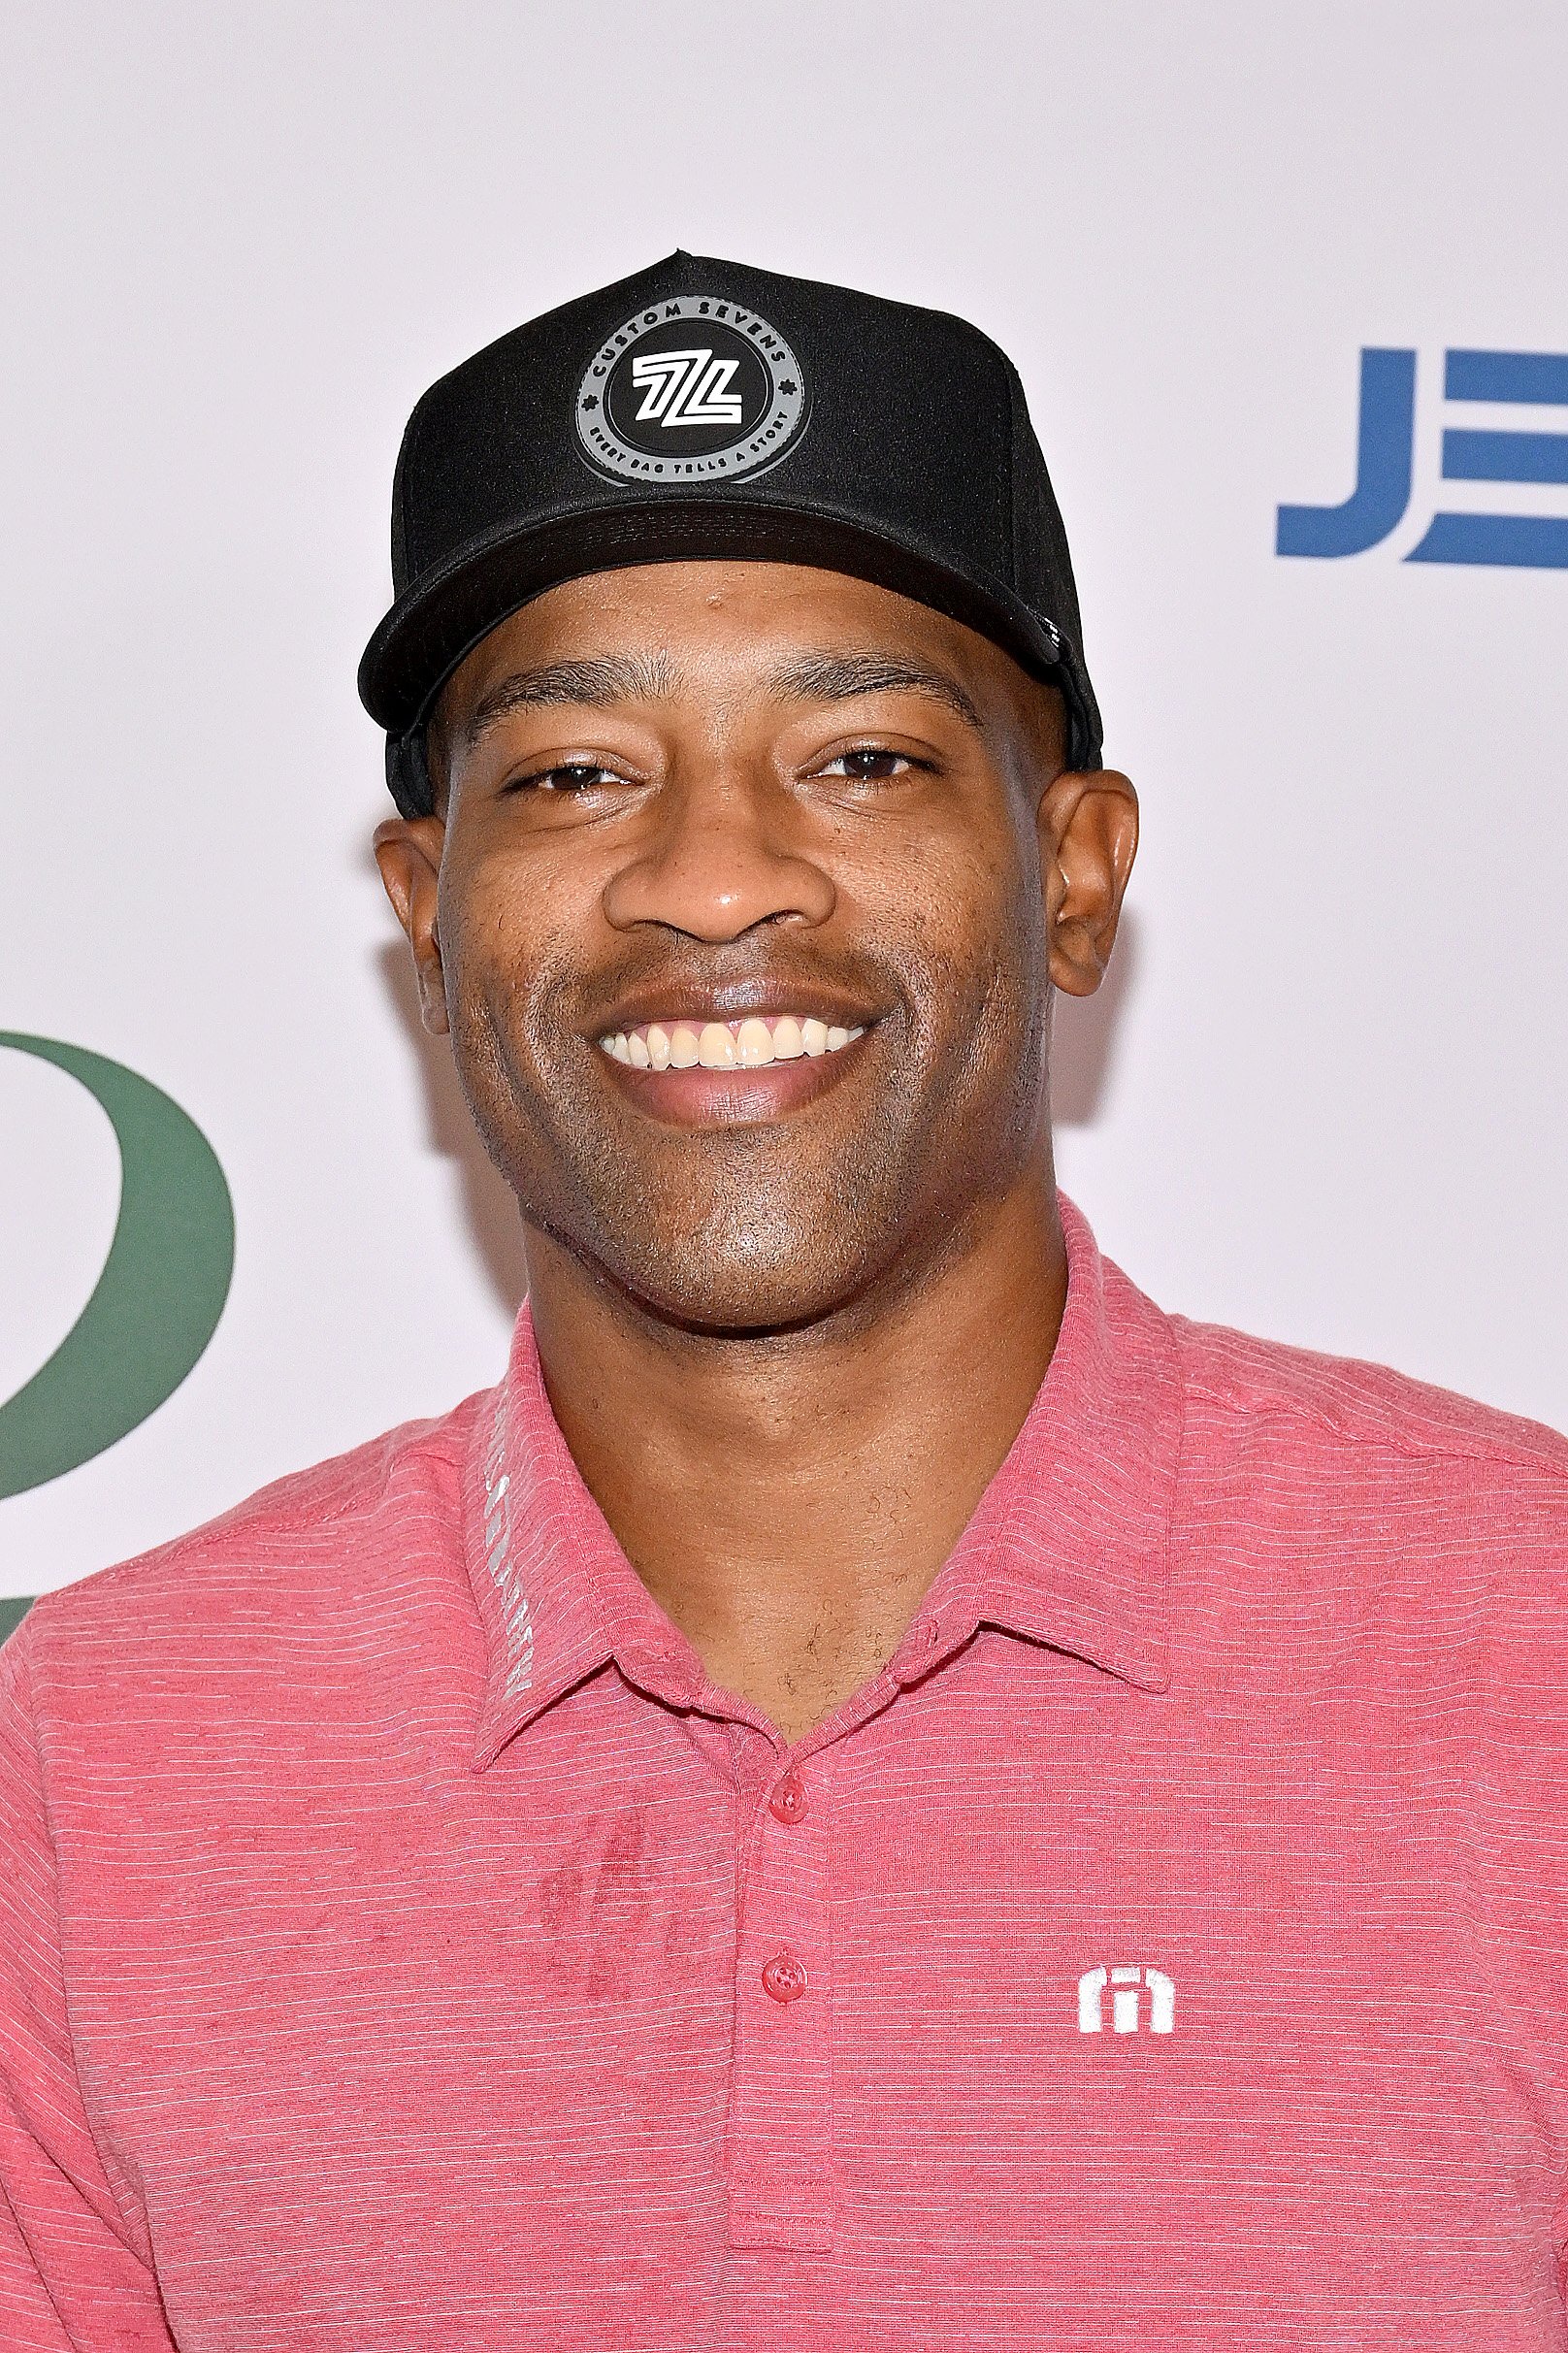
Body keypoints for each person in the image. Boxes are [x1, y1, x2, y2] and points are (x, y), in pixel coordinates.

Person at [3, 250, 1566, 2353]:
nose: (716, 877)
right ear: (429, 907)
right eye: (572, 774)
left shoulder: (1524, 1638)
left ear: (1075, 872)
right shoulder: (98, 1753)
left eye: (861, 761)